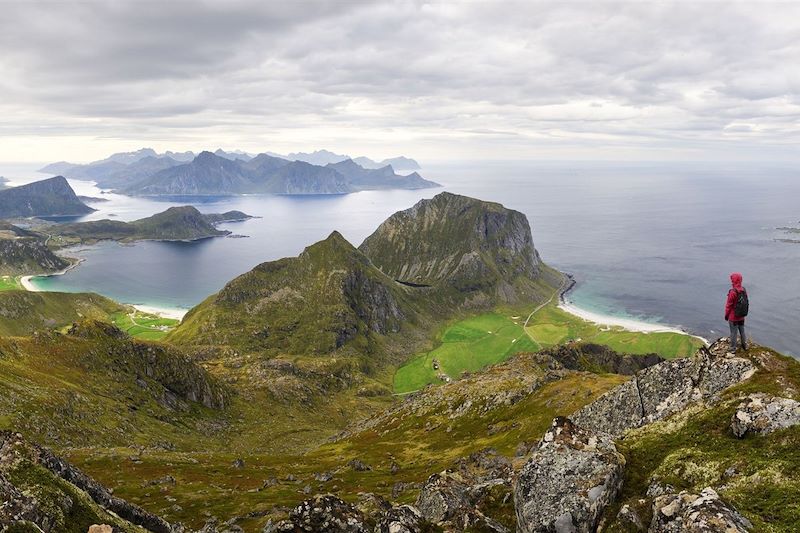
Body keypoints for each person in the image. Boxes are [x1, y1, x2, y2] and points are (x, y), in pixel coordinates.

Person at [724, 272, 748, 352]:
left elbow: (728, 306)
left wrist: (726, 315)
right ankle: (745, 346)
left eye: (732, 280)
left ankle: (733, 349)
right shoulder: (743, 290)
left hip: (733, 317)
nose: (731, 281)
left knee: (733, 333)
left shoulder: (732, 292)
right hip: (742, 316)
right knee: (742, 331)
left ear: (734, 280)